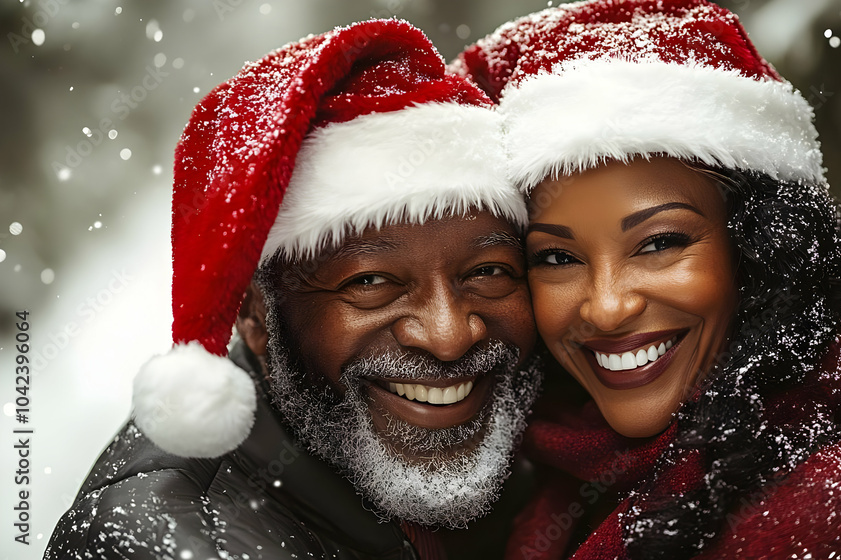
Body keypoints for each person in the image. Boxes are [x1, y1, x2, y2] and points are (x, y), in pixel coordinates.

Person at [453, 0, 841, 558]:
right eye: (558, 258)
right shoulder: (541, 470)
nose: (606, 307)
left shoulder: (836, 503)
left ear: (758, 250)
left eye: (659, 243)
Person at [46, 19, 542, 560]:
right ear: (256, 314)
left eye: (488, 271)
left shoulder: (558, 439)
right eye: (371, 282)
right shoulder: (160, 544)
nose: (449, 336)